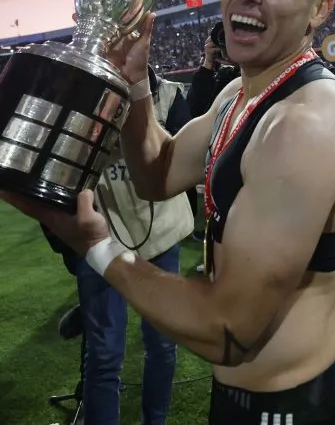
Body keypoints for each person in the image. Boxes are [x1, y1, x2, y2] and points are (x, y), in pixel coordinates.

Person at [1, 0, 335, 424]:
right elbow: (158, 174)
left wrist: (95, 244)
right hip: (246, 398)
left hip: (291, 407)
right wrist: (133, 85)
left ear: (319, 10)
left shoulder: (303, 123)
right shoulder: (238, 95)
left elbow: (228, 329)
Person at [77, 65, 194, 425]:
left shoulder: (170, 95)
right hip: (102, 237)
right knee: (105, 353)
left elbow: (182, 159)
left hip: (161, 234)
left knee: (161, 344)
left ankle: (154, 421)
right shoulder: (80, 94)